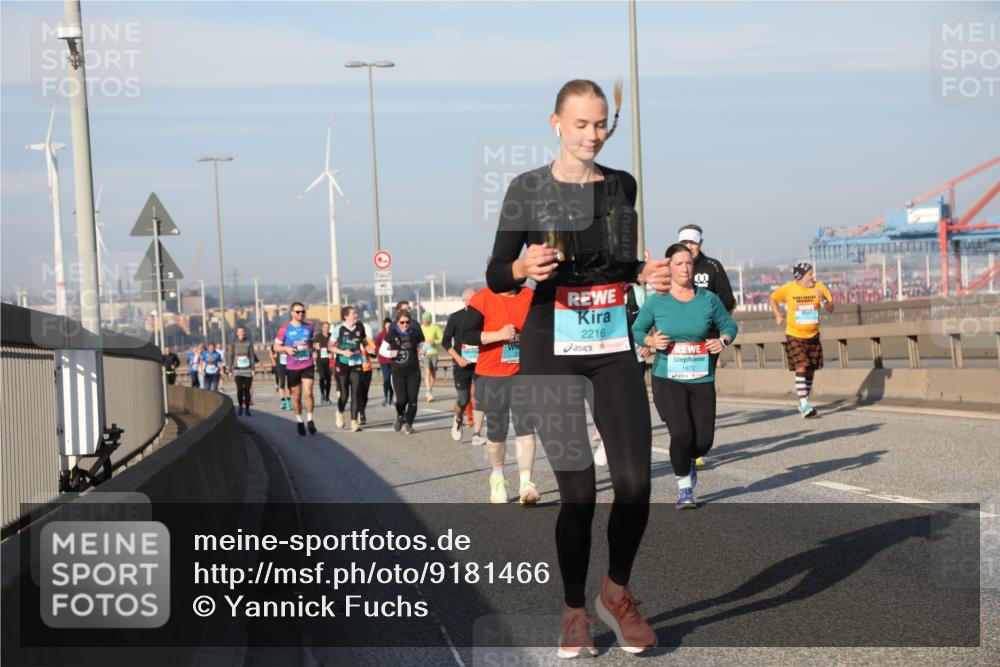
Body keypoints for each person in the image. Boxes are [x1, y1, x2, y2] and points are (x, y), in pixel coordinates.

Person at [486, 79, 670, 657]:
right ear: (556, 124)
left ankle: (615, 593)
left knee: (637, 485)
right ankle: (573, 613)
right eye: (582, 124)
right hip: (549, 348)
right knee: (580, 493)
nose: (593, 135)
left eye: (601, 125)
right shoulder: (526, 189)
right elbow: (495, 272)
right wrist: (522, 266)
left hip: (611, 343)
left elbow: (616, 259)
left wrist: (643, 272)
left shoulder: (621, 186)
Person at [632, 243, 738, 509]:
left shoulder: (707, 299)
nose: (685, 268)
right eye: (678, 263)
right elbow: (637, 329)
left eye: (689, 263)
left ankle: (690, 460)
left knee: (702, 441)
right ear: (669, 267)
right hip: (667, 378)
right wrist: (650, 340)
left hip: (701, 377)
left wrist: (723, 340)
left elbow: (729, 325)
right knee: (681, 433)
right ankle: (684, 489)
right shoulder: (658, 300)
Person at [462, 285, 540, 505]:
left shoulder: (529, 295)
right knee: (497, 430)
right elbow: (467, 334)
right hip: (491, 374)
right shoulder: (482, 299)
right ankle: (497, 476)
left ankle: (526, 482)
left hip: (522, 371)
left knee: (526, 426)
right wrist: (498, 335)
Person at [676, 224, 736, 469]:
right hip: (680, 341)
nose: (690, 247)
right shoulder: (674, 266)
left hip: (707, 341)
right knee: (682, 389)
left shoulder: (712, 267)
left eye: (694, 242)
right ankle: (686, 438)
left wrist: (717, 326)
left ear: (700, 243)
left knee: (701, 388)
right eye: (686, 243)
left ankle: (698, 444)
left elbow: (728, 300)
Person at [769, 262, 834, 418]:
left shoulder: (819, 287)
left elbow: (832, 308)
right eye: (810, 274)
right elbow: (773, 298)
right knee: (801, 366)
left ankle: (804, 401)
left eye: (812, 273)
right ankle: (804, 403)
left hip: (813, 335)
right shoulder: (789, 289)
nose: (813, 277)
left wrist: (823, 300)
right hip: (794, 334)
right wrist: (778, 315)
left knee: (811, 369)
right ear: (800, 277)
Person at [442, 288, 485, 444]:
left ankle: (477, 434)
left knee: (480, 397)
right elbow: (445, 341)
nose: (475, 302)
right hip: (461, 363)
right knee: (463, 399)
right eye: (471, 300)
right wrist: (458, 358)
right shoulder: (455, 318)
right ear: (465, 301)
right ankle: (458, 418)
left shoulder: (483, 317)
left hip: (480, 362)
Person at [275, 302, 317, 436]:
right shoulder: (284, 329)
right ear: (292, 313)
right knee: (296, 396)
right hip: (292, 366)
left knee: (308, 392)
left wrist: (314, 348)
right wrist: (286, 348)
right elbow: (276, 347)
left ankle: (310, 419)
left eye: (302, 312)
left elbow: (312, 342)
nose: (301, 314)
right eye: (298, 312)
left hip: (307, 364)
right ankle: (299, 420)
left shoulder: (309, 327)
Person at [380, 309, 425, 434]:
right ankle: (400, 416)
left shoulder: (414, 333)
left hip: (413, 371)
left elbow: (422, 346)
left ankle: (409, 423)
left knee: (413, 401)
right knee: (401, 400)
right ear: (397, 322)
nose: (405, 325)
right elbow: (382, 351)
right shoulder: (392, 334)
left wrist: (422, 352)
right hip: (398, 371)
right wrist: (391, 353)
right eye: (402, 322)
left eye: (407, 322)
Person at [331, 306, 367, 432]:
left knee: (356, 393)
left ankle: (354, 422)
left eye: (356, 313)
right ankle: (340, 412)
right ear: (346, 316)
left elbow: (364, 341)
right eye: (353, 313)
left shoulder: (360, 327)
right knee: (344, 395)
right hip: (342, 363)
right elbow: (329, 347)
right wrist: (342, 351)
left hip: (356, 363)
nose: (356, 315)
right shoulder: (338, 329)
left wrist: (369, 349)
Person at [227, 326, 258, 416]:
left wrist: (253, 369)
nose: (241, 333)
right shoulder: (234, 344)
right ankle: (240, 407)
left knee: (247, 390)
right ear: (237, 333)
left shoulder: (249, 343)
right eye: (239, 331)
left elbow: (252, 356)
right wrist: (229, 369)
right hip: (237, 370)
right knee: (240, 390)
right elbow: (231, 356)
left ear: (244, 333)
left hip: (247, 369)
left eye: (242, 331)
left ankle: (247, 408)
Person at [420, 311, 444, 402]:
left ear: (429, 319)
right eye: (423, 319)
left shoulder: (435, 328)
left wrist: (434, 341)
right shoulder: (420, 328)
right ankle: (428, 391)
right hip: (425, 353)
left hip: (434, 352)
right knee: (427, 371)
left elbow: (442, 338)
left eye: (425, 319)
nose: (423, 320)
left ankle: (430, 389)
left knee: (433, 372)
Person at [373, 318, 394, 407]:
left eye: (390, 325)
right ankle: (386, 397)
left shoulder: (394, 334)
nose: (388, 326)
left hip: (393, 360)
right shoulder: (381, 335)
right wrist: (380, 351)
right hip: (384, 360)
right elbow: (376, 344)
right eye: (387, 325)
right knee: (386, 379)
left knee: (392, 380)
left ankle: (391, 399)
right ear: (384, 325)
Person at [313, 321, 334, 405]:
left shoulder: (331, 336)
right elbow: (313, 345)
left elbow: (336, 346)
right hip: (320, 360)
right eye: (325, 327)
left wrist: (332, 353)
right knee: (322, 377)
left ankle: (327, 397)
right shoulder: (318, 336)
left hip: (329, 360)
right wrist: (315, 347)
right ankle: (322, 395)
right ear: (322, 328)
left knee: (328, 379)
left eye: (328, 327)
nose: (326, 329)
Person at [269, 342, 291, 410]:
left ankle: (288, 401)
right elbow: (270, 351)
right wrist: (273, 360)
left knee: (290, 385)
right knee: (281, 384)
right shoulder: (277, 343)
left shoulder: (289, 341)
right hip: (280, 365)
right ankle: (283, 401)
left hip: (290, 365)